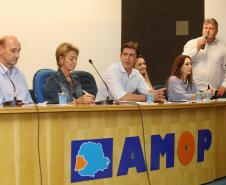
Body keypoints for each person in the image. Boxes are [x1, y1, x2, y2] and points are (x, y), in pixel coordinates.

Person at [96, 41, 165, 102]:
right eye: (125, 54)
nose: (127, 58)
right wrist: (150, 97)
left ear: (136, 59)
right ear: (120, 56)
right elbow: (121, 97)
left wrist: (157, 94)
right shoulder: (112, 71)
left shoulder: (136, 74)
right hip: (102, 110)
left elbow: (148, 92)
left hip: (124, 110)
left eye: (131, 55)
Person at [182, 18, 226, 97]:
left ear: (216, 31)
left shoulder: (223, 47)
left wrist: (224, 85)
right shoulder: (191, 43)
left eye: (211, 28)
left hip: (215, 91)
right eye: (205, 28)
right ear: (202, 29)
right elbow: (182, 61)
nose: (207, 31)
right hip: (194, 91)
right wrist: (197, 48)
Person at [0, 35, 32, 105]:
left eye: (19, 51)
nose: (17, 55)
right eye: (13, 51)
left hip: (25, 115)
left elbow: (29, 102)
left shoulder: (19, 75)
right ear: (1, 50)